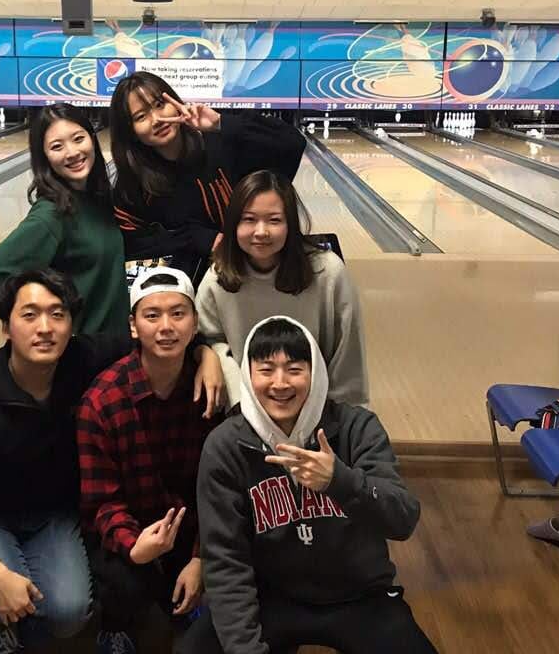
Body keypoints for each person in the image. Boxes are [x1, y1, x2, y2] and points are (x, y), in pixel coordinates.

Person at [0, 268, 223, 654]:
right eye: (29, 315)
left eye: (57, 314)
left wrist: (205, 353)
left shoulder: (82, 358)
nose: (45, 328)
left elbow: (160, 337)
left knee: (68, 614)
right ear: (6, 327)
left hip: (53, 514)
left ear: (70, 326)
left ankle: (18, 603)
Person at [180, 316, 436, 654]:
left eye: (295, 369)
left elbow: (403, 519)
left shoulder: (356, 428)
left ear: (316, 375)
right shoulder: (226, 444)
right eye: (266, 369)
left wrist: (339, 481)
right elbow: (226, 560)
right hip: (269, 595)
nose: (280, 383)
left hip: (357, 594)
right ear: (247, 375)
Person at [77, 267, 221, 654]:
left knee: (208, 592)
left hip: (187, 529)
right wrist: (133, 545)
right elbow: (100, 503)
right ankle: (114, 624)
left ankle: (180, 595)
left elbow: (221, 491)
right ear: (133, 326)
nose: (166, 326)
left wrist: (201, 558)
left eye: (178, 313)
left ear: (194, 325)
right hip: (131, 526)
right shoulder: (102, 401)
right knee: (126, 582)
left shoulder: (211, 391)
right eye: (152, 315)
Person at [196, 169, 368, 408]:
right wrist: (238, 402)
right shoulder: (219, 275)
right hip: (244, 409)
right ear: (233, 224)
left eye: (274, 220)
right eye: (249, 219)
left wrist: (345, 418)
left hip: (317, 410)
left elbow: (346, 353)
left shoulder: (328, 272)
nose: (261, 232)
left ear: (291, 224)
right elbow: (208, 337)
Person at [109, 71, 306, 277]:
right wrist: (193, 238)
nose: (157, 119)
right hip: (186, 290)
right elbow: (128, 242)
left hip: (256, 269)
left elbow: (292, 143)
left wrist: (221, 123)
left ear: (175, 101)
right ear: (130, 132)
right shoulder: (132, 183)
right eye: (141, 116)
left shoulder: (224, 144)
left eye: (160, 104)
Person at [0, 104, 128, 335]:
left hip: (114, 346)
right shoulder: (51, 215)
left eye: (78, 139)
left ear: (92, 138)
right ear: (44, 157)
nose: (72, 152)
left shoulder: (96, 198)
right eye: (57, 146)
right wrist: (38, 326)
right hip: (83, 354)